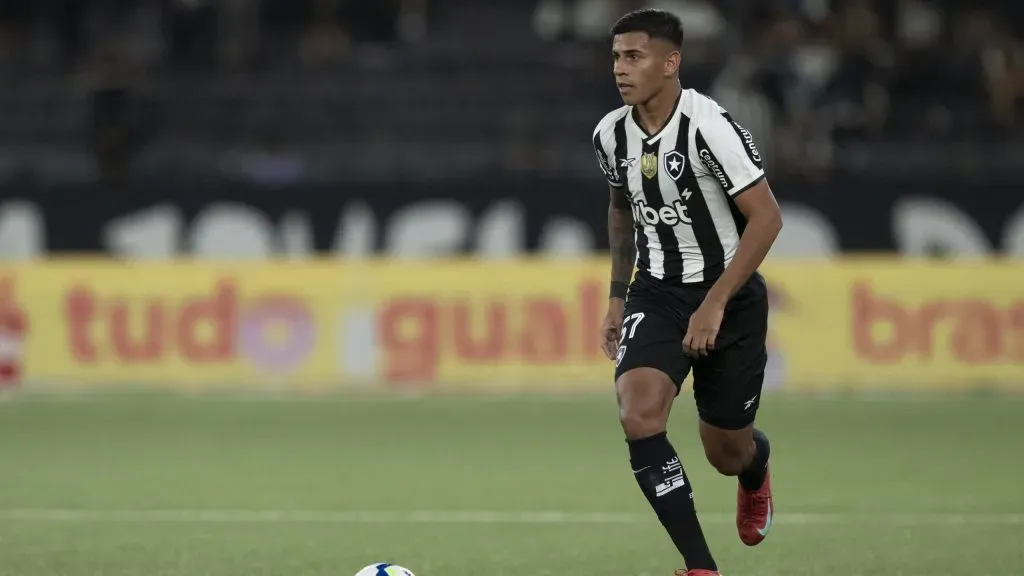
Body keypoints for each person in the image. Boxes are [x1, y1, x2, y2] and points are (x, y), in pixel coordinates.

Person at [592, 9, 783, 576]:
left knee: (725, 452)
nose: (621, 71)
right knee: (639, 414)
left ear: (671, 62)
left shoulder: (709, 128)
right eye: (616, 58)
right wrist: (617, 297)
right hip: (657, 293)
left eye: (634, 57)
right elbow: (622, 207)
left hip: (729, 295)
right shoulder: (610, 133)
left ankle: (756, 466)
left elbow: (767, 220)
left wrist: (716, 302)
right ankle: (700, 566)